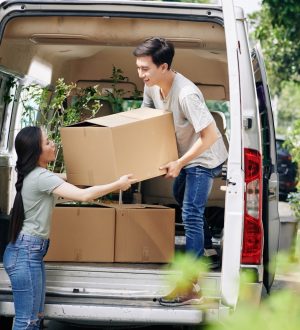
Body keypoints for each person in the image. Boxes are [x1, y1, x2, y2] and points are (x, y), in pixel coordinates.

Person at [3, 126, 136, 330]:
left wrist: (109, 174)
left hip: (28, 252)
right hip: (25, 253)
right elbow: (84, 195)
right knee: (27, 321)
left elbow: (74, 178)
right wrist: (118, 184)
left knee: (35, 318)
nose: (53, 143)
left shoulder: (39, 174)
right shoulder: (41, 177)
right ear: (36, 152)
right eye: (47, 142)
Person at [133, 37, 228, 306]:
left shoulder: (186, 94)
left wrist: (179, 162)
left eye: (145, 69)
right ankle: (208, 249)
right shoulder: (152, 87)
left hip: (204, 158)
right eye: (138, 68)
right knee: (180, 193)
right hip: (186, 157)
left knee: (190, 213)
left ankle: (190, 285)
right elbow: (146, 113)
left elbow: (209, 136)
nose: (141, 75)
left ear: (164, 67)